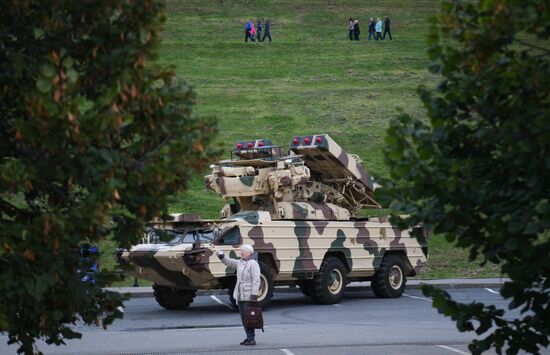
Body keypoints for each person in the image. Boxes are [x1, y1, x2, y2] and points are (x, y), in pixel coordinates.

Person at [217, 245, 260, 346]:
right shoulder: (240, 262)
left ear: (249, 253)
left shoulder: (253, 264)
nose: (241, 252)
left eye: (243, 251)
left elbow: (256, 280)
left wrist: (254, 295)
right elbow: (229, 262)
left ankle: (251, 338)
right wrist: (221, 255)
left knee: (248, 318)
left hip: (249, 296)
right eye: (241, 251)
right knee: (244, 318)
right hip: (240, 295)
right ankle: (248, 337)